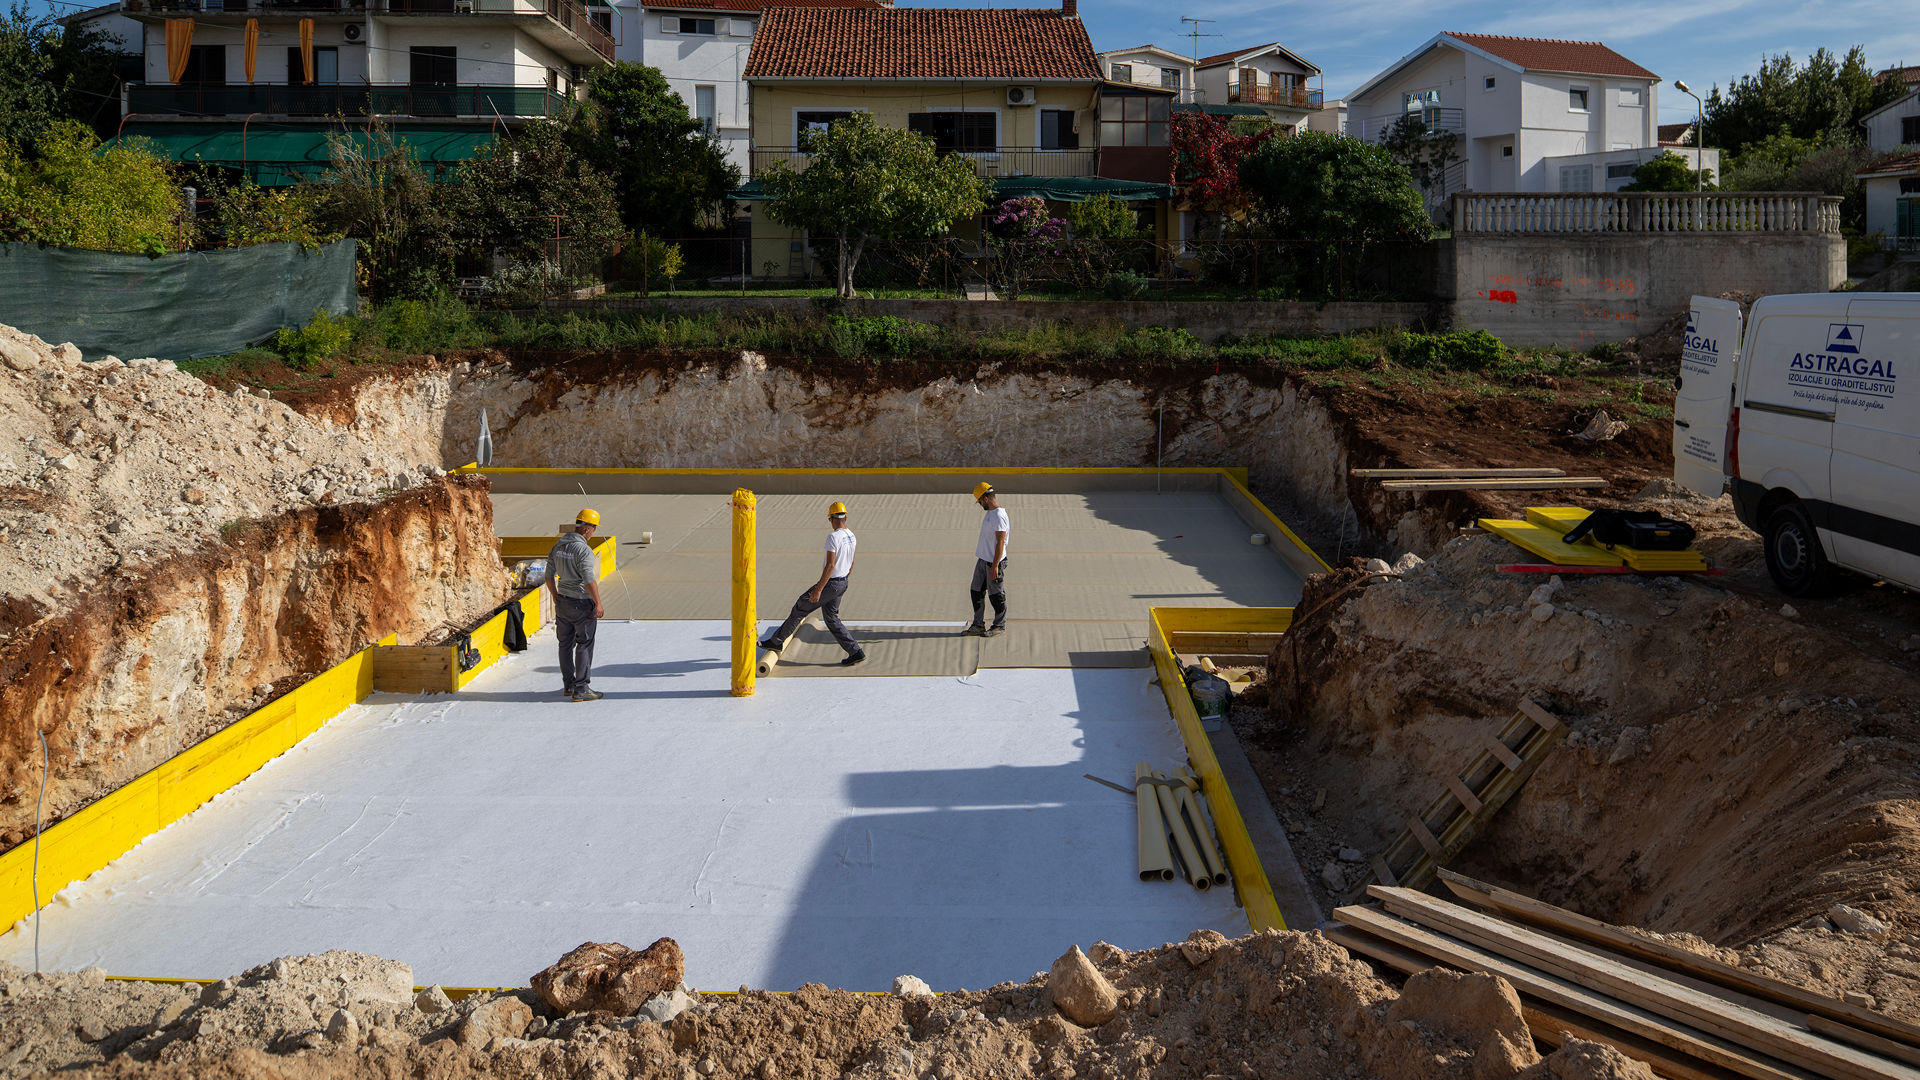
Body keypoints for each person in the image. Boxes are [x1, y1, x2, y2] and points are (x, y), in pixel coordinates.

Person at [759, 501, 866, 667]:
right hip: (843, 582)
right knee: (831, 619)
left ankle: (777, 641)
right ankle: (855, 652)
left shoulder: (833, 537)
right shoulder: (851, 535)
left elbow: (830, 566)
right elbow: (851, 562)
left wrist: (818, 590)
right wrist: (843, 579)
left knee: (801, 606)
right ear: (845, 517)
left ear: (831, 518)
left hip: (831, 584)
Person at [546, 508, 605, 701]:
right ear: (588, 529)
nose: (594, 532)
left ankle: (568, 686)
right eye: (594, 528)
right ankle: (581, 688)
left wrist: (555, 596)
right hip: (581, 602)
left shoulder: (558, 546)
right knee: (584, 644)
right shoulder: (583, 550)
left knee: (565, 644)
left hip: (563, 600)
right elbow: (588, 579)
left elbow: (548, 575)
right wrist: (598, 603)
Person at [966, 481, 1008, 636]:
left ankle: (999, 625)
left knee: (996, 595)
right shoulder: (991, 514)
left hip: (993, 562)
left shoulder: (999, 516)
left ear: (985, 498)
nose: (979, 505)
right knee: (976, 591)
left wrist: (995, 566)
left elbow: (1001, 542)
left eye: (979, 502)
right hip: (983, 560)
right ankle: (978, 625)